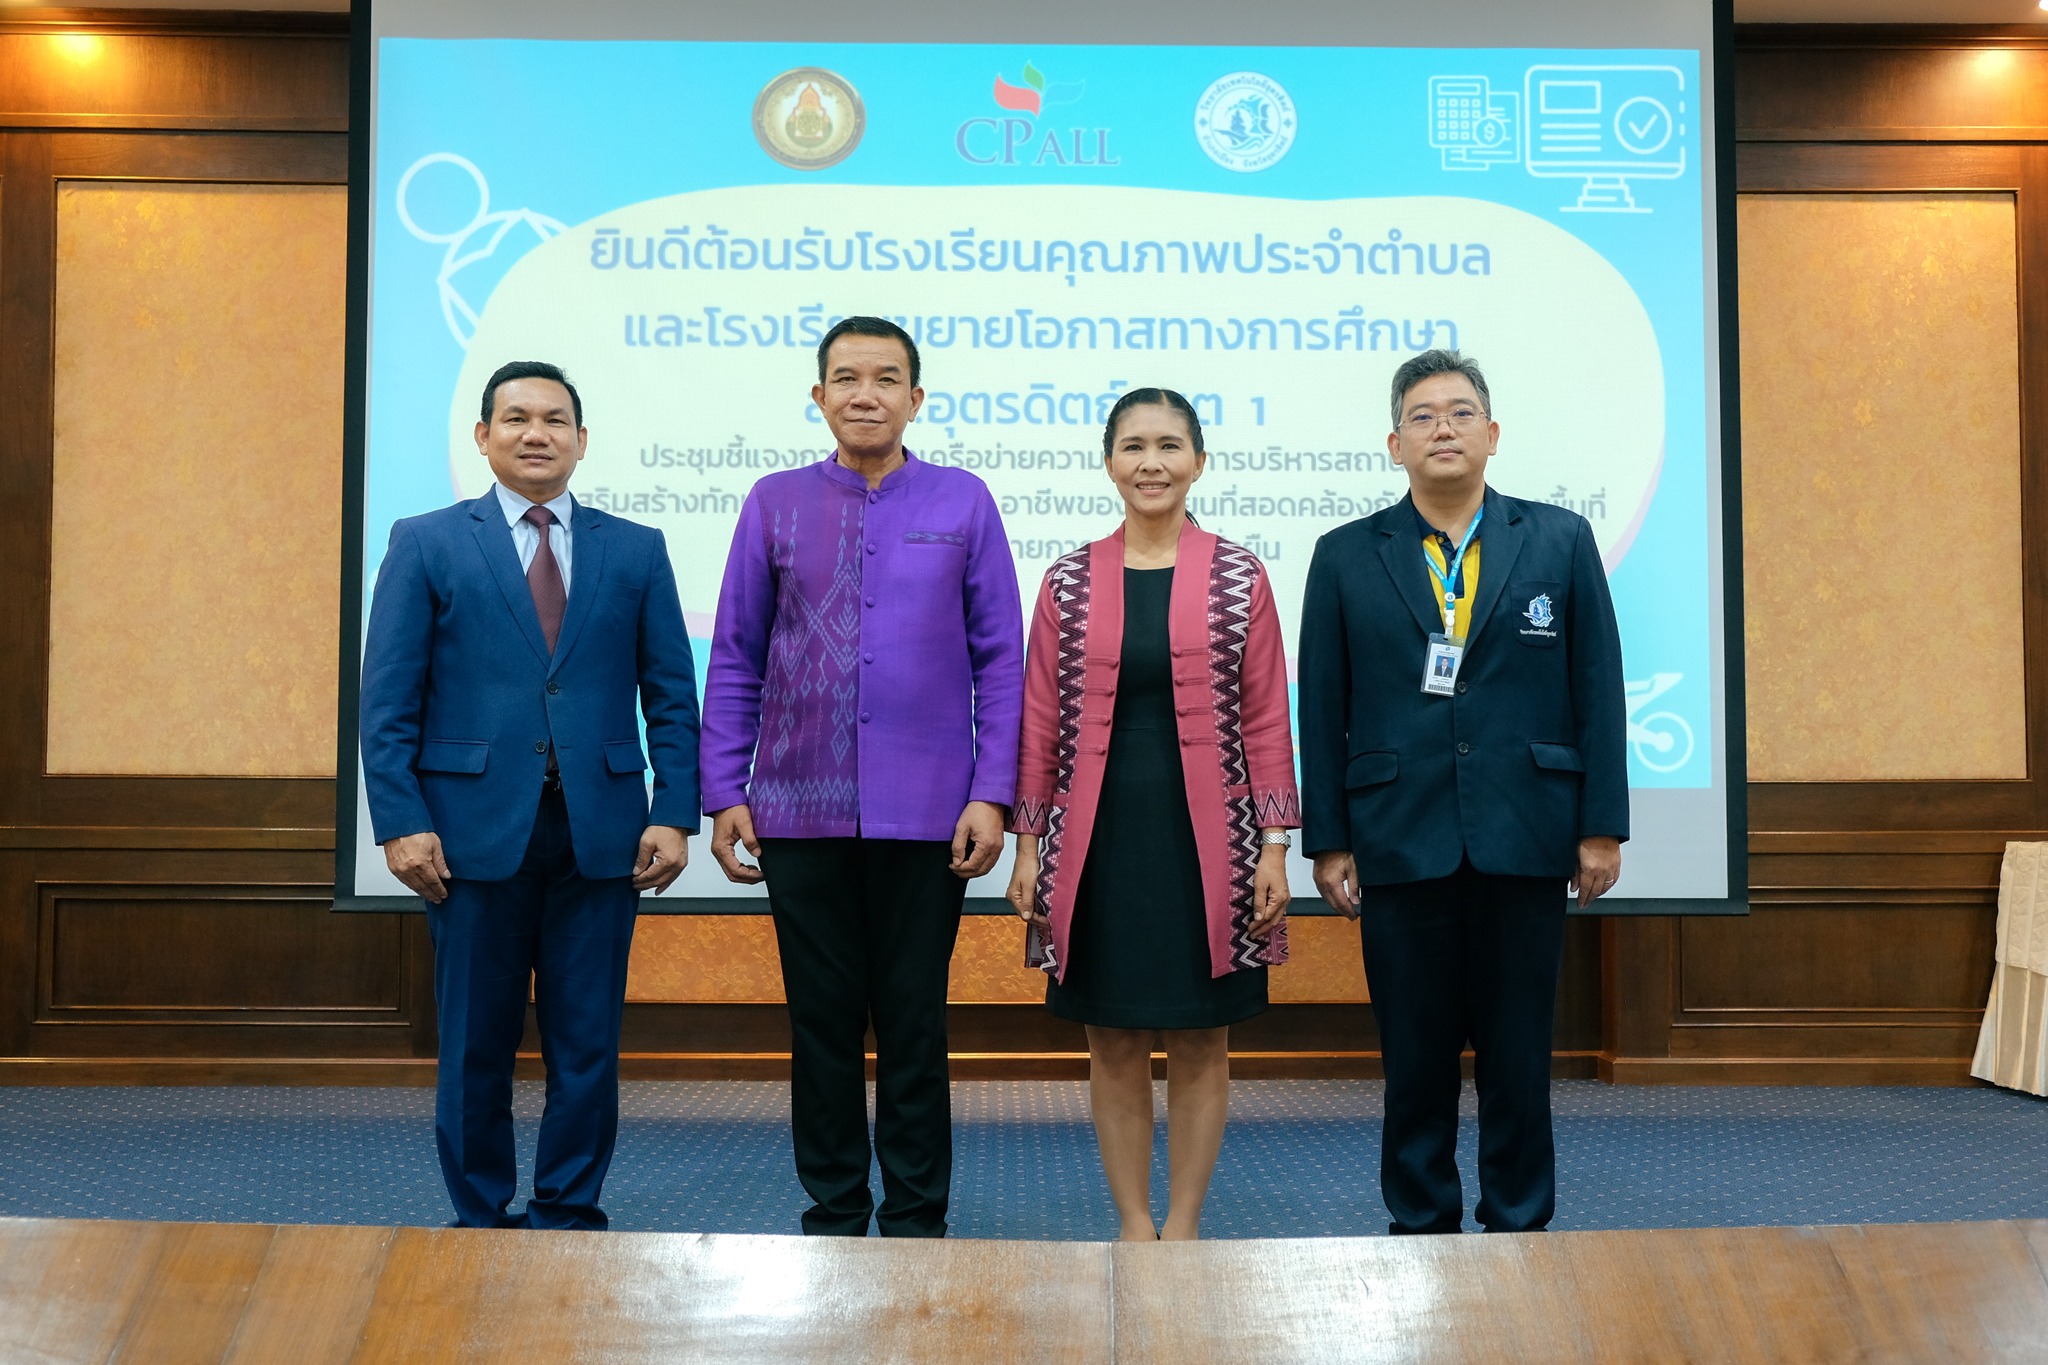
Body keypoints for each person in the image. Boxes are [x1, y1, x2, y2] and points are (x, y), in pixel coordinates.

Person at [700, 316, 1024, 1238]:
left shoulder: (962, 501)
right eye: (846, 377)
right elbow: (736, 653)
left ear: (917, 398)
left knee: (916, 1024)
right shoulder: (774, 501)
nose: (865, 393)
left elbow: (1003, 660)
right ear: (819, 397)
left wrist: (991, 792)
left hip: (930, 813)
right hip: (798, 808)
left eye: (887, 378)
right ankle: (835, 1209)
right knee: (823, 1025)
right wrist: (726, 790)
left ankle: (919, 1213)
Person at [360, 360, 701, 1229]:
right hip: (470, 834)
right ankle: (479, 1212)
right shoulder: (427, 540)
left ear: (583, 441)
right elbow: (389, 697)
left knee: (587, 1045)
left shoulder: (636, 548)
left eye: (555, 419)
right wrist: (400, 820)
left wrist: (673, 809)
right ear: (483, 436)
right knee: (476, 1043)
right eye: (515, 418)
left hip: (603, 833)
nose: (536, 432)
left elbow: (670, 693)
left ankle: (569, 1206)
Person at [1297, 349, 1627, 1235]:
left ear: (1492, 433)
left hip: (1528, 832)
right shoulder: (1343, 555)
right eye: (1423, 416)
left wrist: (1601, 827)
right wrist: (1328, 841)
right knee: (1415, 1054)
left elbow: (1598, 686)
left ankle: (1519, 1216)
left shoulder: (1557, 540)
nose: (1442, 427)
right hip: (1399, 836)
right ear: (1394, 443)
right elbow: (1321, 704)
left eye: (1459, 412)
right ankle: (1422, 1217)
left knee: (1519, 1051)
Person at [1006, 388, 1296, 1242]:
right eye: (1133, 445)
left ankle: (1186, 1219)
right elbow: (1037, 721)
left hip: (1217, 844)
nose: (1151, 462)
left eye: (1170, 445)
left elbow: (1268, 716)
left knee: (1204, 1038)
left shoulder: (1241, 574)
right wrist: (1028, 850)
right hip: (1096, 842)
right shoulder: (1067, 577)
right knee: (1113, 1039)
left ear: (1199, 462)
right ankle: (1134, 1221)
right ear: (1109, 462)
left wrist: (1275, 845)